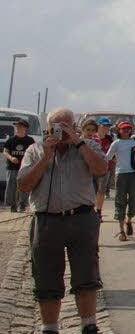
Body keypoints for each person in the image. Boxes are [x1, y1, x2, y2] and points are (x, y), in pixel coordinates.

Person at [17, 107, 108, 334]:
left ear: (75, 126)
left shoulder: (88, 146)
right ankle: (49, 328)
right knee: (45, 275)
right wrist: (46, 158)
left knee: (86, 274)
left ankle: (89, 325)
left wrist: (78, 142)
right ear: (48, 128)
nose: (61, 132)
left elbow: (101, 168)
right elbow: (24, 185)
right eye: (56, 127)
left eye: (66, 126)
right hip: (47, 221)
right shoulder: (35, 150)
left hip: (81, 218)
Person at [105, 121, 135, 241]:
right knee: (120, 202)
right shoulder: (116, 143)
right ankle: (121, 231)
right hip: (120, 174)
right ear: (119, 130)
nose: (126, 131)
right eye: (123, 129)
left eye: (128, 129)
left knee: (134, 201)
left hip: (133, 174)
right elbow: (108, 157)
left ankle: (129, 220)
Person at [3, 117, 36, 212]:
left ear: (25, 128)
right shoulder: (11, 140)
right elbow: (5, 151)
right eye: (17, 127)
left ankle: (22, 205)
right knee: (11, 186)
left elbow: (34, 152)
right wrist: (11, 158)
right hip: (12, 167)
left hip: (24, 167)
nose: (17, 128)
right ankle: (12, 205)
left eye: (19, 127)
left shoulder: (30, 140)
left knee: (23, 185)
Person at [92, 118, 115, 217]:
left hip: (106, 168)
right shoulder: (92, 138)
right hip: (92, 168)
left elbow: (113, 153)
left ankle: (98, 211)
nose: (106, 128)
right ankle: (90, 211)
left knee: (101, 190)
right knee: (92, 190)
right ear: (99, 126)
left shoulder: (110, 139)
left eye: (108, 126)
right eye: (104, 125)